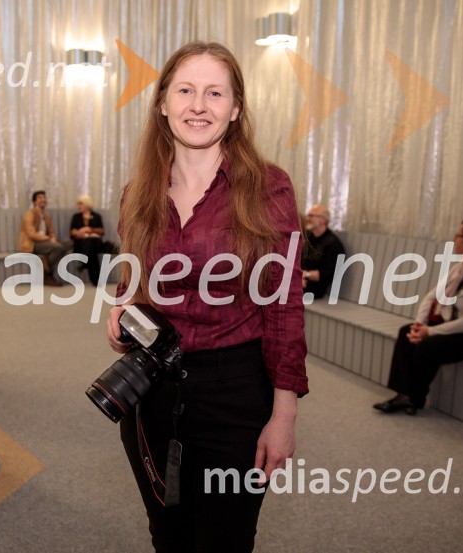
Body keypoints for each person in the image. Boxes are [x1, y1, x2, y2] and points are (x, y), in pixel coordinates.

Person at [106, 42, 308, 552]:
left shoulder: (269, 188)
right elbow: (131, 275)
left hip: (236, 393)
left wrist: (283, 416)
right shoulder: (138, 192)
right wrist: (120, 307)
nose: (199, 105)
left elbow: (284, 307)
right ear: (162, 103)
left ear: (235, 108)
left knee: (226, 540)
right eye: (186, 90)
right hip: (151, 389)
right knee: (167, 536)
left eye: (215, 92)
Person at [373, 219, 463, 415]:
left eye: (458, 236)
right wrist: (419, 323)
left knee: (429, 345)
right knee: (406, 332)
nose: (454, 239)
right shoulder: (462, 268)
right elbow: (431, 296)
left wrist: (430, 332)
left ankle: (412, 397)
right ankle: (404, 394)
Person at [17, 190, 68, 285]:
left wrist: (52, 238)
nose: (43, 200)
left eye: (44, 197)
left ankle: (45, 270)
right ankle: (48, 276)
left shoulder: (46, 216)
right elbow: (31, 234)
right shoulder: (29, 214)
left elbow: (51, 232)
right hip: (32, 244)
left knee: (68, 243)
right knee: (58, 247)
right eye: (40, 198)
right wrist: (49, 239)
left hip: (46, 243)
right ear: (35, 201)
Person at [301, 204, 345, 300]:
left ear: (323, 220)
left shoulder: (333, 244)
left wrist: (305, 275)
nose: (308, 218)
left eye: (312, 216)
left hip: (315, 288)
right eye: (308, 215)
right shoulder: (308, 238)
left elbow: (328, 274)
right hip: (300, 281)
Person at [69, 194, 105, 286]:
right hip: (82, 243)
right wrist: (80, 232)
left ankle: (84, 263)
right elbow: (72, 232)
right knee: (90, 247)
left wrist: (90, 229)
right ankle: (96, 280)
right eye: (78, 204)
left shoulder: (97, 216)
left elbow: (101, 231)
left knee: (92, 242)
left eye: (80, 204)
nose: (78, 206)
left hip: (95, 242)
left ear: (87, 204)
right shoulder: (76, 217)